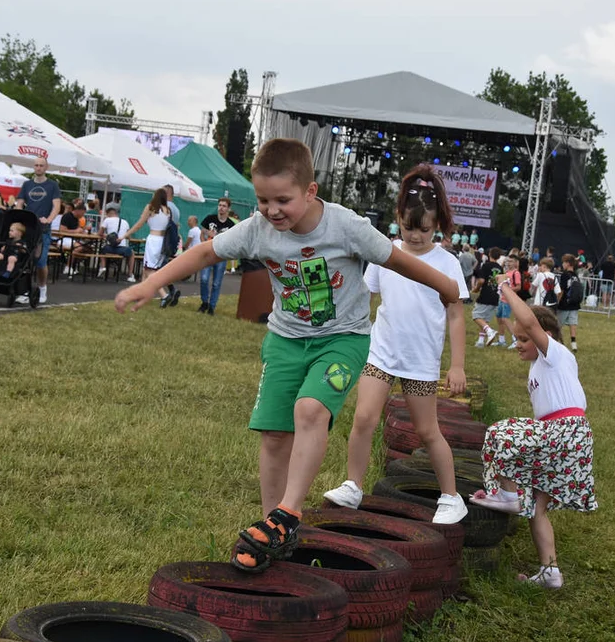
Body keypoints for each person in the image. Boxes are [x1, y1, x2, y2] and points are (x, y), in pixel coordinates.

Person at [113, 139, 461, 573]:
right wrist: (150, 284)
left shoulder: (345, 226)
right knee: (275, 435)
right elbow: (205, 252)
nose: (272, 210)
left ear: (310, 192)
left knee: (310, 409)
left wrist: (445, 287)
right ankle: (271, 529)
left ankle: (288, 512)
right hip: (284, 341)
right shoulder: (258, 228)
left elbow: (396, 261)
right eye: (262, 199)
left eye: (283, 200)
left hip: (342, 341)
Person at [323, 166, 469, 524]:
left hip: (420, 361)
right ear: (397, 219)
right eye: (408, 227)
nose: (415, 235)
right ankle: (353, 485)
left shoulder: (446, 263)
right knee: (363, 417)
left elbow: (456, 316)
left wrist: (457, 365)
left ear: (438, 225)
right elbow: (365, 297)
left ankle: (451, 497)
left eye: (424, 229)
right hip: (381, 353)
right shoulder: (386, 255)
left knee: (426, 431)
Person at [468, 286, 596, 589]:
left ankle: (508, 495)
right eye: (516, 338)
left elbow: (528, 318)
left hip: (566, 430)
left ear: (545, 335)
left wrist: (505, 290)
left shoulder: (555, 355)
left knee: (500, 434)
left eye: (523, 338)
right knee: (536, 507)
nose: (517, 344)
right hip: (568, 438)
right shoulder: (540, 367)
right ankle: (550, 572)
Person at [13, 156, 60, 304]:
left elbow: (56, 206)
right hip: (28, 227)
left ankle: (42, 288)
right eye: (36, 165)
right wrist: (18, 216)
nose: (38, 168)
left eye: (41, 165)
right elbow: (19, 203)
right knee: (23, 259)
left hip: (43, 229)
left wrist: (49, 219)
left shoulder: (52, 185)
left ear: (46, 167)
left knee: (40, 261)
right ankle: (24, 290)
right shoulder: (27, 184)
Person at [126, 190, 175, 305]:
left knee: (149, 270)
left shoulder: (151, 207)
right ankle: (141, 294)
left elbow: (139, 224)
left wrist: (125, 235)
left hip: (153, 239)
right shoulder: (168, 210)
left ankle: (164, 295)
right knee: (148, 268)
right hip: (163, 241)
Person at [198, 197, 237, 314]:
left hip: (221, 255)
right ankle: (204, 302)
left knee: (216, 283)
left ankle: (212, 306)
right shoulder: (210, 219)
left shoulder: (231, 224)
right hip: (208, 252)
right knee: (204, 279)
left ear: (228, 209)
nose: (221, 208)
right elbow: (202, 231)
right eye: (220, 205)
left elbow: (233, 240)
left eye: (224, 206)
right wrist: (204, 242)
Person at [471, 247, 503, 348]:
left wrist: (476, 289)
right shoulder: (500, 268)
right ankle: (480, 341)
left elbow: (481, 281)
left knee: (476, 315)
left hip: (486, 294)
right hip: (495, 295)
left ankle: (490, 331)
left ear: (489, 254)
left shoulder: (486, 265)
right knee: (485, 319)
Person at [100, 205, 134, 282]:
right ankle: (130, 274)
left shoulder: (107, 220)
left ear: (108, 213)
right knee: (131, 253)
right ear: (116, 213)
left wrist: (106, 235)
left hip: (109, 249)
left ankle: (103, 267)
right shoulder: (125, 222)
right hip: (122, 250)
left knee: (102, 250)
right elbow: (129, 237)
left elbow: (100, 233)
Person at [557, 254, 582, 351]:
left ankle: (558, 342)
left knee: (558, 324)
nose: (562, 264)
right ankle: (573, 343)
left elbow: (562, 290)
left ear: (568, 263)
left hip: (565, 304)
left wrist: (557, 302)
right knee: (573, 323)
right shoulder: (576, 275)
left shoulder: (564, 275)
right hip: (575, 304)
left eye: (563, 262)